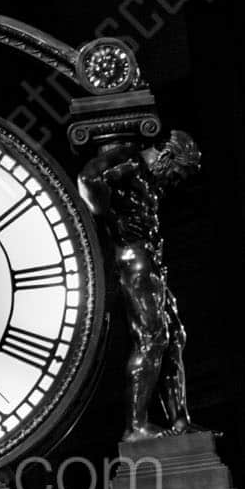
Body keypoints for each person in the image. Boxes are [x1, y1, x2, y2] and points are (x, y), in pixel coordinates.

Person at [78, 130, 203, 440]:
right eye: (177, 172)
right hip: (134, 258)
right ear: (167, 156)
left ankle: (180, 421)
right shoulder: (129, 161)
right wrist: (111, 219)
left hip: (150, 258)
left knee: (173, 337)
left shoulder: (149, 178)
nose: (174, 181)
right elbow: (88, 179)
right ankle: (136, 426)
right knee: (152, 336)